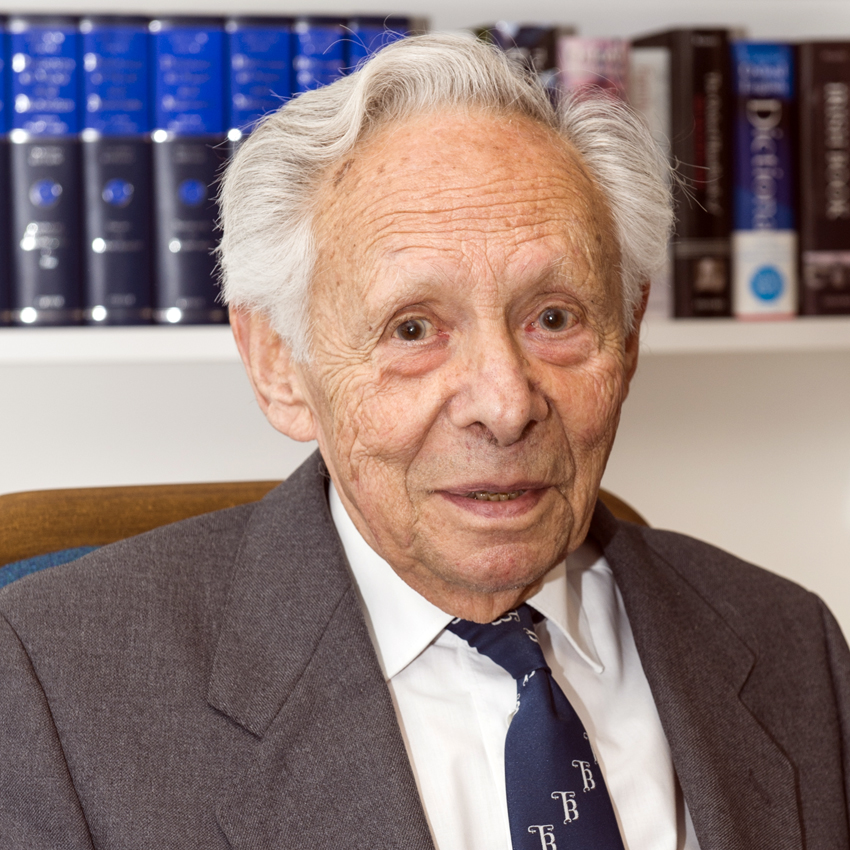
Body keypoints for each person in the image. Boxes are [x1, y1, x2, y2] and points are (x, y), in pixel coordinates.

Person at [1, 34, 848, 850]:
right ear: (279, 366)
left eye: (553, 317)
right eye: (414, 328)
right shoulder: (55, 685)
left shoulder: (790, 644)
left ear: (626, 336)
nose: (504, 404)